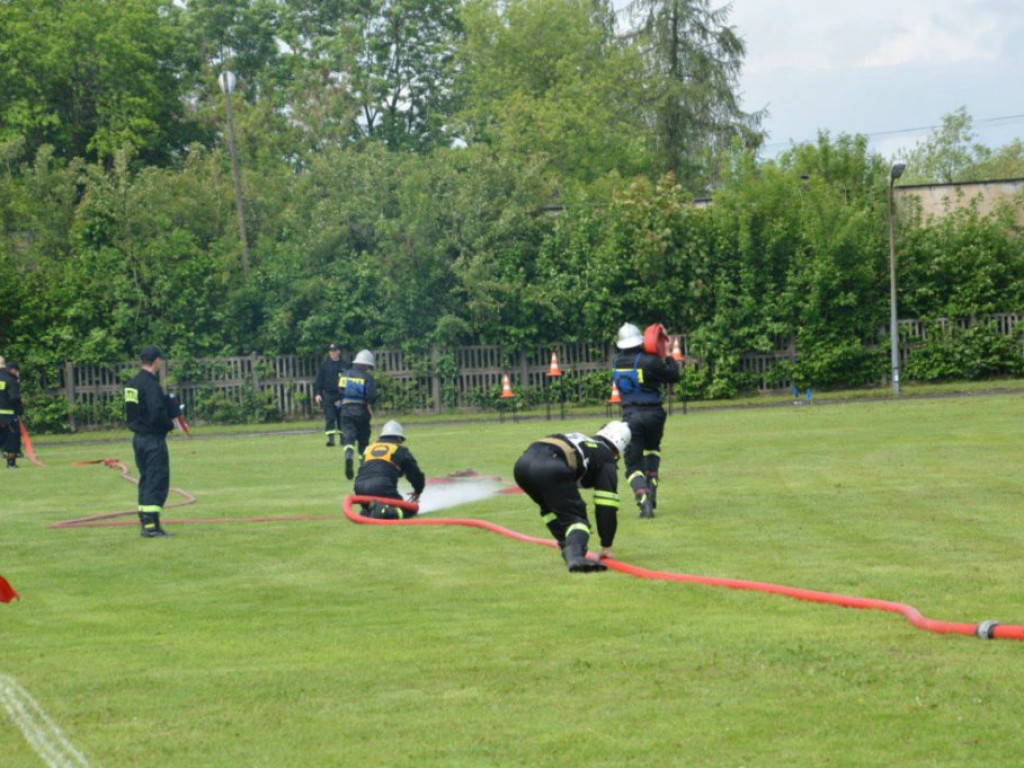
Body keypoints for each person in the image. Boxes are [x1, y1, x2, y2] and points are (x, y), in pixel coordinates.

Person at [513, 421, 631, 573]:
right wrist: (606, 545)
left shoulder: (585, 440)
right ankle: (575, 556)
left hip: (522, 465)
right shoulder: (605, 455)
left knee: (550, 509)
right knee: (577, 519)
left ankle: (568, 546)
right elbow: (606, 505)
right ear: (617, 448)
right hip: (550, 465)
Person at [612, 322, 681, 519]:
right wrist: (665, 351)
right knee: (653, 449)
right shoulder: (651, 361)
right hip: (655, 415)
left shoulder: (617, 362)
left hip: (631, 416)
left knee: (633, 465)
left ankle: (643, 499)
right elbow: (674, 376)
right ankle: (652, 485)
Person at [124, 347, 178, 538]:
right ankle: (150, 527)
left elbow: (134, 411)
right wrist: (169, 423)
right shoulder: (151, 385)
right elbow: (156, 412)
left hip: (138, 439)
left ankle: (149, 522)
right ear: (156, 361)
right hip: (153, 439)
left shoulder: (132, 384)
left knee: (146, 480)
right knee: (157, 480)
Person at [353, 420, 425, 519]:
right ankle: (383, 511)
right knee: (409, 510)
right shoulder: (399, 450)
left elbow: (368, 468)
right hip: (382, 486)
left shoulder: (368, 448)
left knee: (375, 509)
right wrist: (418, 490)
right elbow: (415, 473)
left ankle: (369, 511)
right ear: (399, 438)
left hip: (359, 487)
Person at [340, 349, 378, 480]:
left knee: (348, 438)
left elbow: (340, 391)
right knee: (363, 440)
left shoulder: (345, 374)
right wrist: (369, 402)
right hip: (361, 410)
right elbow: (371, 395)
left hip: (346, 410)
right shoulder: (368, 378)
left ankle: (349, 456)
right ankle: (363, 467)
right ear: (365, 364)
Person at [313, 343, 347, 447]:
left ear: (339, 351)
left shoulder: (345, 365)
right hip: (328, 395)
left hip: (342, 395)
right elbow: (319, 380)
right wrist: (317, 393)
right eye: (331, 351)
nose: (333, 352)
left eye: (335, 350)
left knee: (342, 417)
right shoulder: (324, 365)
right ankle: (331, 440)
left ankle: (343, 439)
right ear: (329, 352)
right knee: (330, 417)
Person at [0, 358, 24, 469]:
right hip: (7, 417)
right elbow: (14, 397)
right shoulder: (10, 380)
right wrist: (20, 410)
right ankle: (11, 463)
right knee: (11, 439)